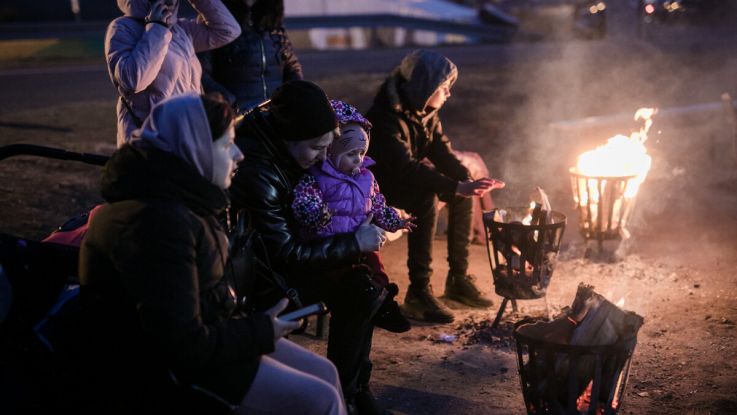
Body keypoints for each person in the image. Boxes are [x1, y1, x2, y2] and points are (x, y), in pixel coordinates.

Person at [77, 93, 346, 414]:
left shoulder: (185, 200)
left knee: (327, 372)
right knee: (320, 400)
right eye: (226, 144)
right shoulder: (157, 222)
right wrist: (259, 330)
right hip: (164, 366)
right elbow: (181, 343)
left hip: (211, 335)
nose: (238, 154)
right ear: (196, 149)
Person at [230, 80, 390, 414]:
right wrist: (352, 241)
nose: (322, 158)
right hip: (265, 280)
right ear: (291, 137)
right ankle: (344, 395)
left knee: (367, 286)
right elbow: (285, 256)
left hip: (284, 261)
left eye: (327, 147)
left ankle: (353, 388)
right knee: (359, 288)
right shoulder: (259, 173)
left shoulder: (284, 147)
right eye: (317, 148)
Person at [365, 49, 505, 324]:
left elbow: (442, 151)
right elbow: (404, 169)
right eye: (444, 87)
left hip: (406, 180)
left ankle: (458, 278)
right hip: (377, 189)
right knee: (426, 197)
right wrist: (456, 186)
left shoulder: (424, 112)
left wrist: (468, 181)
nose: (448, 94)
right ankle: (418, 290)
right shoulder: (385, 117)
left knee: (461, 188)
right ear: (424, 87)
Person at [291, 99, 414, 334]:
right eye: (350, 154)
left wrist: (395, 221)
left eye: (361, 152)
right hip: (330, 244)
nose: (358, 159)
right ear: (330, 150)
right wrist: (319, 214)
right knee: (351, 277)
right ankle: (375, 303)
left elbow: (378, 204)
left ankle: (384, 303)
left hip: (362, 240)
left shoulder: (366, 178)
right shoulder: (317, 178)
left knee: (377, 271)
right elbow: (303, 204)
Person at [105, 0, 241, 147]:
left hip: (185, 137)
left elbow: (228, 30)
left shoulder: (180, 30)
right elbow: (133, 80)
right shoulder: (122, 27)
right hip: (149, 144)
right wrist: (157, 28)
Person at [198, 0, 302, 113]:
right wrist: (231, 104)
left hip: (275, 117)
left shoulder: (271, 19)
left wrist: (293, 96)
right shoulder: (215, 19)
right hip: (239, 119)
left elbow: (291, 65)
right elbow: (202, 74)